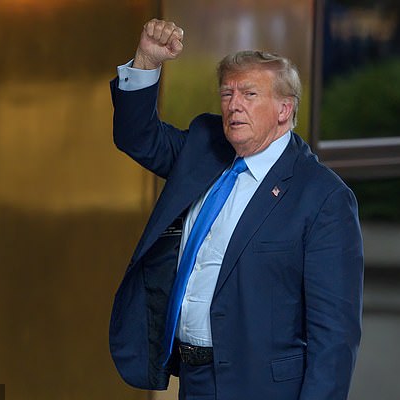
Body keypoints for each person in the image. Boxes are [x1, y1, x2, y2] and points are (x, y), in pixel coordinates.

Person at [109, 19, 363, 400]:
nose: (233, 105)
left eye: (249, 94)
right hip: (193, 380)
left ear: (284, 109)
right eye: (226, 94)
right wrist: (146, 60)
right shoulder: (204, 149)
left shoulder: (323, 197)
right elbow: (137, 137)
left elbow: (335, 339)